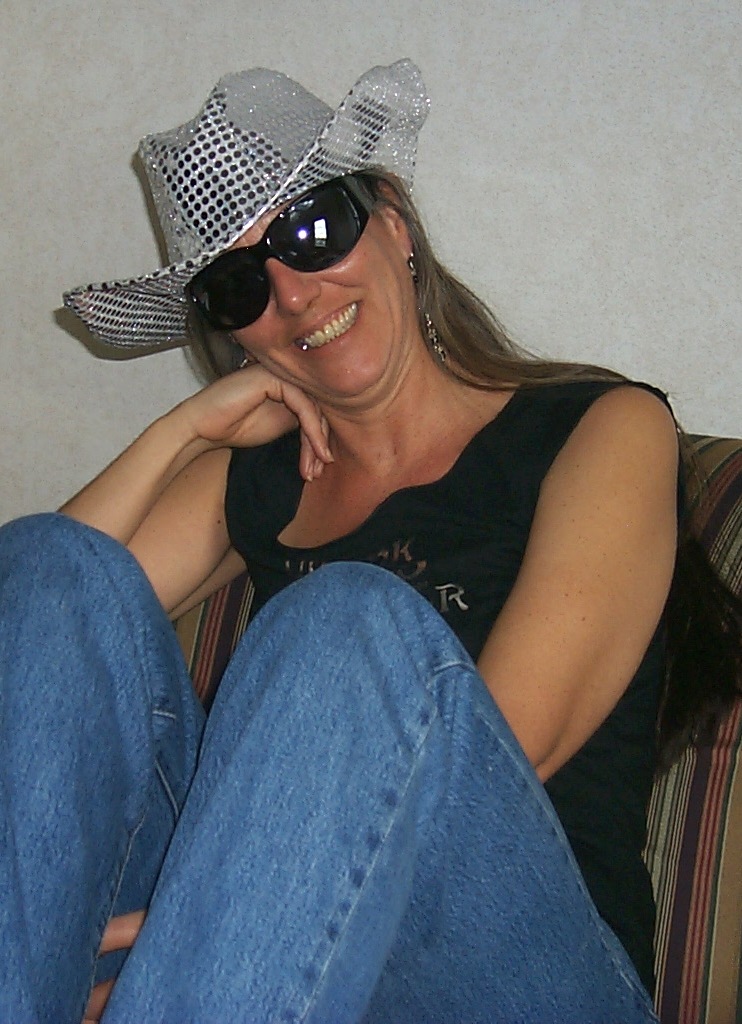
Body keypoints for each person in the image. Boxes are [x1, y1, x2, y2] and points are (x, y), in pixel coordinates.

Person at [1, 59, 739, 1024]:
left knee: (343, 622)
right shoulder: (256, 478)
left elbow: (518, 741)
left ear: (393, 222)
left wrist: (211, 912)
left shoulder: (598, 429)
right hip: (260, 960)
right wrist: (180, 432)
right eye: (237, 287)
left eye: (312, 230)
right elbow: (47, 624)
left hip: (518, 966)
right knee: (46, 558)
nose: (291, 294)